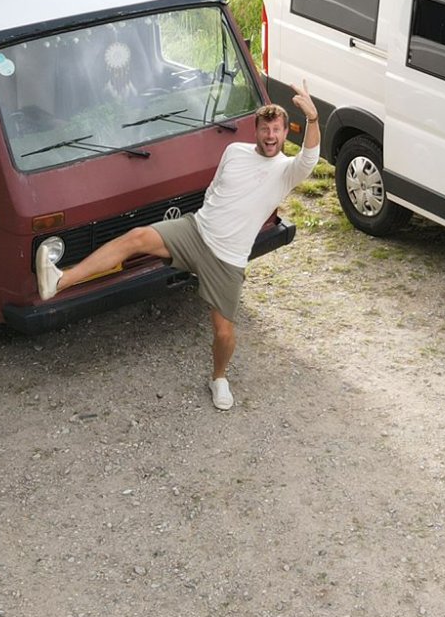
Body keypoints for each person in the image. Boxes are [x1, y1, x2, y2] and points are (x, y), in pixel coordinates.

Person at [34, 82, 321, 411]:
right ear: (255, 130)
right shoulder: (234, 152)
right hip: (194, 232)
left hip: (227, 260)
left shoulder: (286, 171)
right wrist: (207, 218)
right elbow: (215, 188)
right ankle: (60, 281)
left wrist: (313, 119)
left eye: (276, 130)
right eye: (265, 129)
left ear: (284, 134)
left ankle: (219, 378)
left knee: (224, 334)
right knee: (136, 237)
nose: (270, 136)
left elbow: (310, 157)